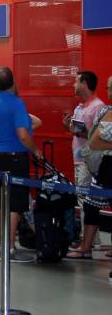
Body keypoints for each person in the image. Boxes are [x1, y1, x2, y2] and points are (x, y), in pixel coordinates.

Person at [0, 66, 42, 263]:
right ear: (13, 82)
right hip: (16, 158)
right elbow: (23, 134)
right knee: (15, 203)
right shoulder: (17, 104)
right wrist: (36, 150)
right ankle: (10, 247)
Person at [67, 75, 112, 260]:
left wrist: (100, 142)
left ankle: (89, 244)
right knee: (90, 204)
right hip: (103, 166)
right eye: (108, 87)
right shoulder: (107, 110)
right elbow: (94, 140)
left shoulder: (100, 107)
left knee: (89, 202)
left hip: (104, 164)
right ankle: (86, 246)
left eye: (110, 87)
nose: (108, 91)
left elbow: (97, 139)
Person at [63, 71, 106, 219]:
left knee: (85, 199)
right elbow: (77, 131)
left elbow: (102, 136)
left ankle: (88, 240)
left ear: (84, 84)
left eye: (76, 81)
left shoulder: (98, 106)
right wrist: (69, 127)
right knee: (82, 197)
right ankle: (90, 239)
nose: (74, 85)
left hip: (89, 160)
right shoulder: (79, 107)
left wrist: (84, 133)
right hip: (78, 159)